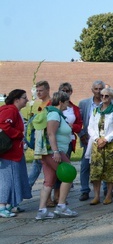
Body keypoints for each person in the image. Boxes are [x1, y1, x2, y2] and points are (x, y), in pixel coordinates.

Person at [35, 91, 78, 219]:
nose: (68, 106)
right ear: (60, 102)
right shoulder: (54, 114)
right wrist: (56, 152)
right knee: (68, 174)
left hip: (50, 152)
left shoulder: (55, 113)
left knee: (49, 181)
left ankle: (42, 210)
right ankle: (61, 206)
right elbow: (51, 133)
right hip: (53, 152)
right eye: (66, 103)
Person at [85, 87, 113, 206]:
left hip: (111, 144)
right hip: (97, 144)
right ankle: (96, 195)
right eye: (102, 96)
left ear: (111, 97)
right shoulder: (96, 111)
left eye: (107, 96)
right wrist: (97, 139)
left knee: (110, 169)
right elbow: (90, 127)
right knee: (96, 170)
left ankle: (109, 194)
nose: (104, 98)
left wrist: (106, 139)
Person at [0, 90, 31, 217]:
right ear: (16, 99)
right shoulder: (10, 110)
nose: (27, 100)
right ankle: (2, 205)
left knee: (14, 179)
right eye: (24, 98)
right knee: (7, 179)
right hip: (9, 152)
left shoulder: (14, 111)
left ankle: (9, 204)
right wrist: (18, 135)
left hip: (14, 151)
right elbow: (3, 124)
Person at [78, 80, 105, 201]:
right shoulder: (84, 103)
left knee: (105, 164)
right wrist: (82, 134)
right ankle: (84, 190)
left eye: (100, 89)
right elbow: (79, 121)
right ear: (92, 90)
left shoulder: (109, 102)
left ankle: (106, 188)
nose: (98, 92)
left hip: (104, 138)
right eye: (96, 89)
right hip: (88, 139)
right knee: (85, 165)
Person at [27, 80, 51, 189]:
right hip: (39, 139)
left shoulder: (49, 104)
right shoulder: (40, 104)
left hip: (46, 140)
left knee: (44, 167)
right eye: (37, 91)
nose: (38, 93)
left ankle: (27, 187)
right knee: (38, 165)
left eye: (41, 90)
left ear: (47, 90)